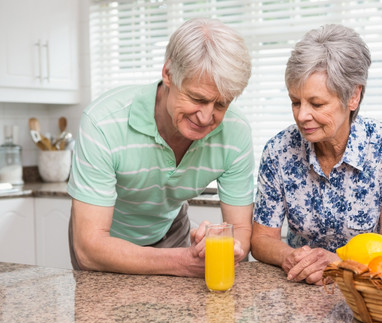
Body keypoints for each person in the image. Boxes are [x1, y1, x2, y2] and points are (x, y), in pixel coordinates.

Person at [67, 18, 254, 277]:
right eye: (197, 99)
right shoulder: (103, 123)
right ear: (168, 74)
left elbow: (241, 230)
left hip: (171, 232)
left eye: (221, 104)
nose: (205, 117)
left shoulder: (236, 132)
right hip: (106, 243)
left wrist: (230, 246)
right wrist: (183, 262)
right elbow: (89, 248)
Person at [250, 24, 382, 286]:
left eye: (316, 104)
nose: (302, 115)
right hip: (299, 286)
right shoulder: (278, 150)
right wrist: (294, 258)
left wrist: (338, 264)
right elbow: (261, 240)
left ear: (353, 96)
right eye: (296, 102)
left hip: (366, 290)